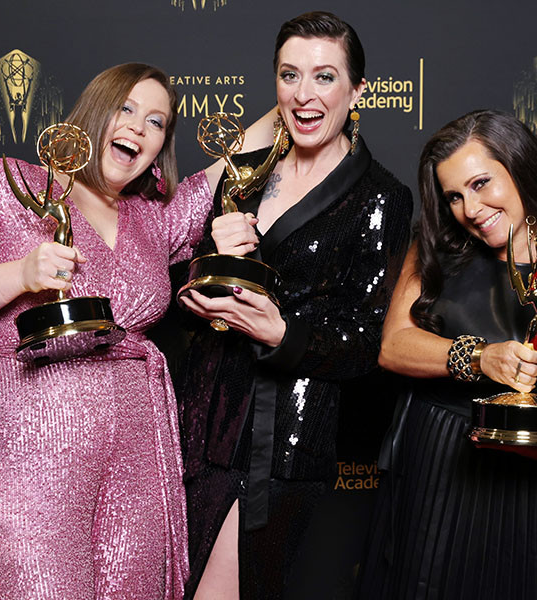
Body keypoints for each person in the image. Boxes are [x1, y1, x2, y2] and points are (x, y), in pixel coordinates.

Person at [0, 62, 272, 600]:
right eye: (126, 108)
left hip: (135, 455)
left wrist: (302, 89)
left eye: (157, 121)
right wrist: (20, 275)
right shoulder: (7, 186)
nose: (139, 127)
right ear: (94, 112)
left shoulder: (152, 217)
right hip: (23, 453)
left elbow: (232, 163)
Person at [176, 11, 413, 599]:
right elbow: (173, 267)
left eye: (324, 77)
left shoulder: (380, 196)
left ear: (358, 90)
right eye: (289, 75)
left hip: (281, 440)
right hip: (192, 421)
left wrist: (284, 334)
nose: (304, 96)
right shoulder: (245, 171)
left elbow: (365, 343)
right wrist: (200, 270)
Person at [355, 110, 537, 599]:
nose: (470, 207)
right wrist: (479, 357)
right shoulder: (437, 249)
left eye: (482, 182)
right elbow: (393, 346)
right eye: (455, 196)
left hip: (519, 489)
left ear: (520, 166)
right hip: (429, 467)